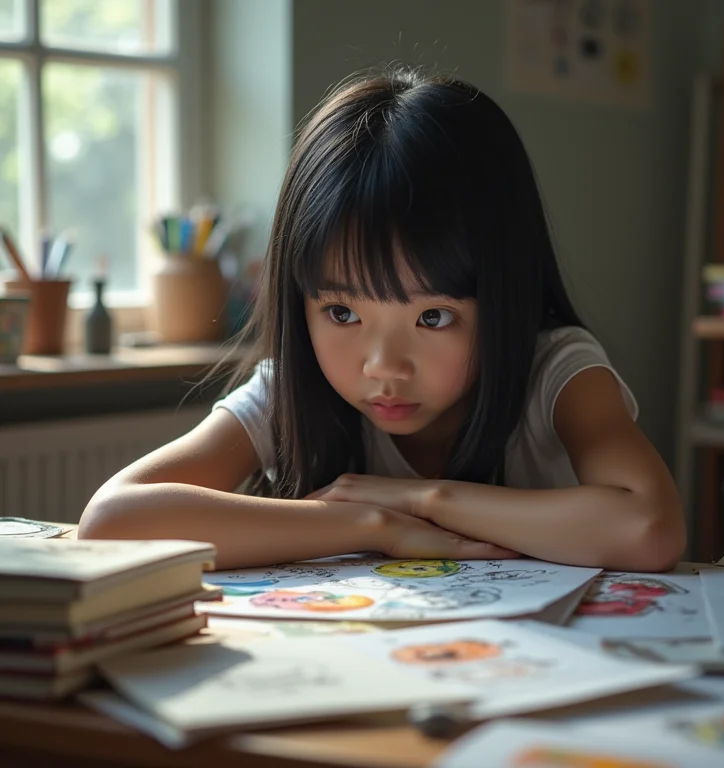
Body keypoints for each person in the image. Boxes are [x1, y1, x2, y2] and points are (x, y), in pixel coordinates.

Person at [79, 67, 685, 572]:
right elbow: (113, 521)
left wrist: (423, 498)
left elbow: (649, 528)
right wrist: (366, 522)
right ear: (299, 299)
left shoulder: (556, 371)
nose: (383, 367)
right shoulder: (291, 389)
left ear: (504, 297)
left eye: (434, 317)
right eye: (342, 311)